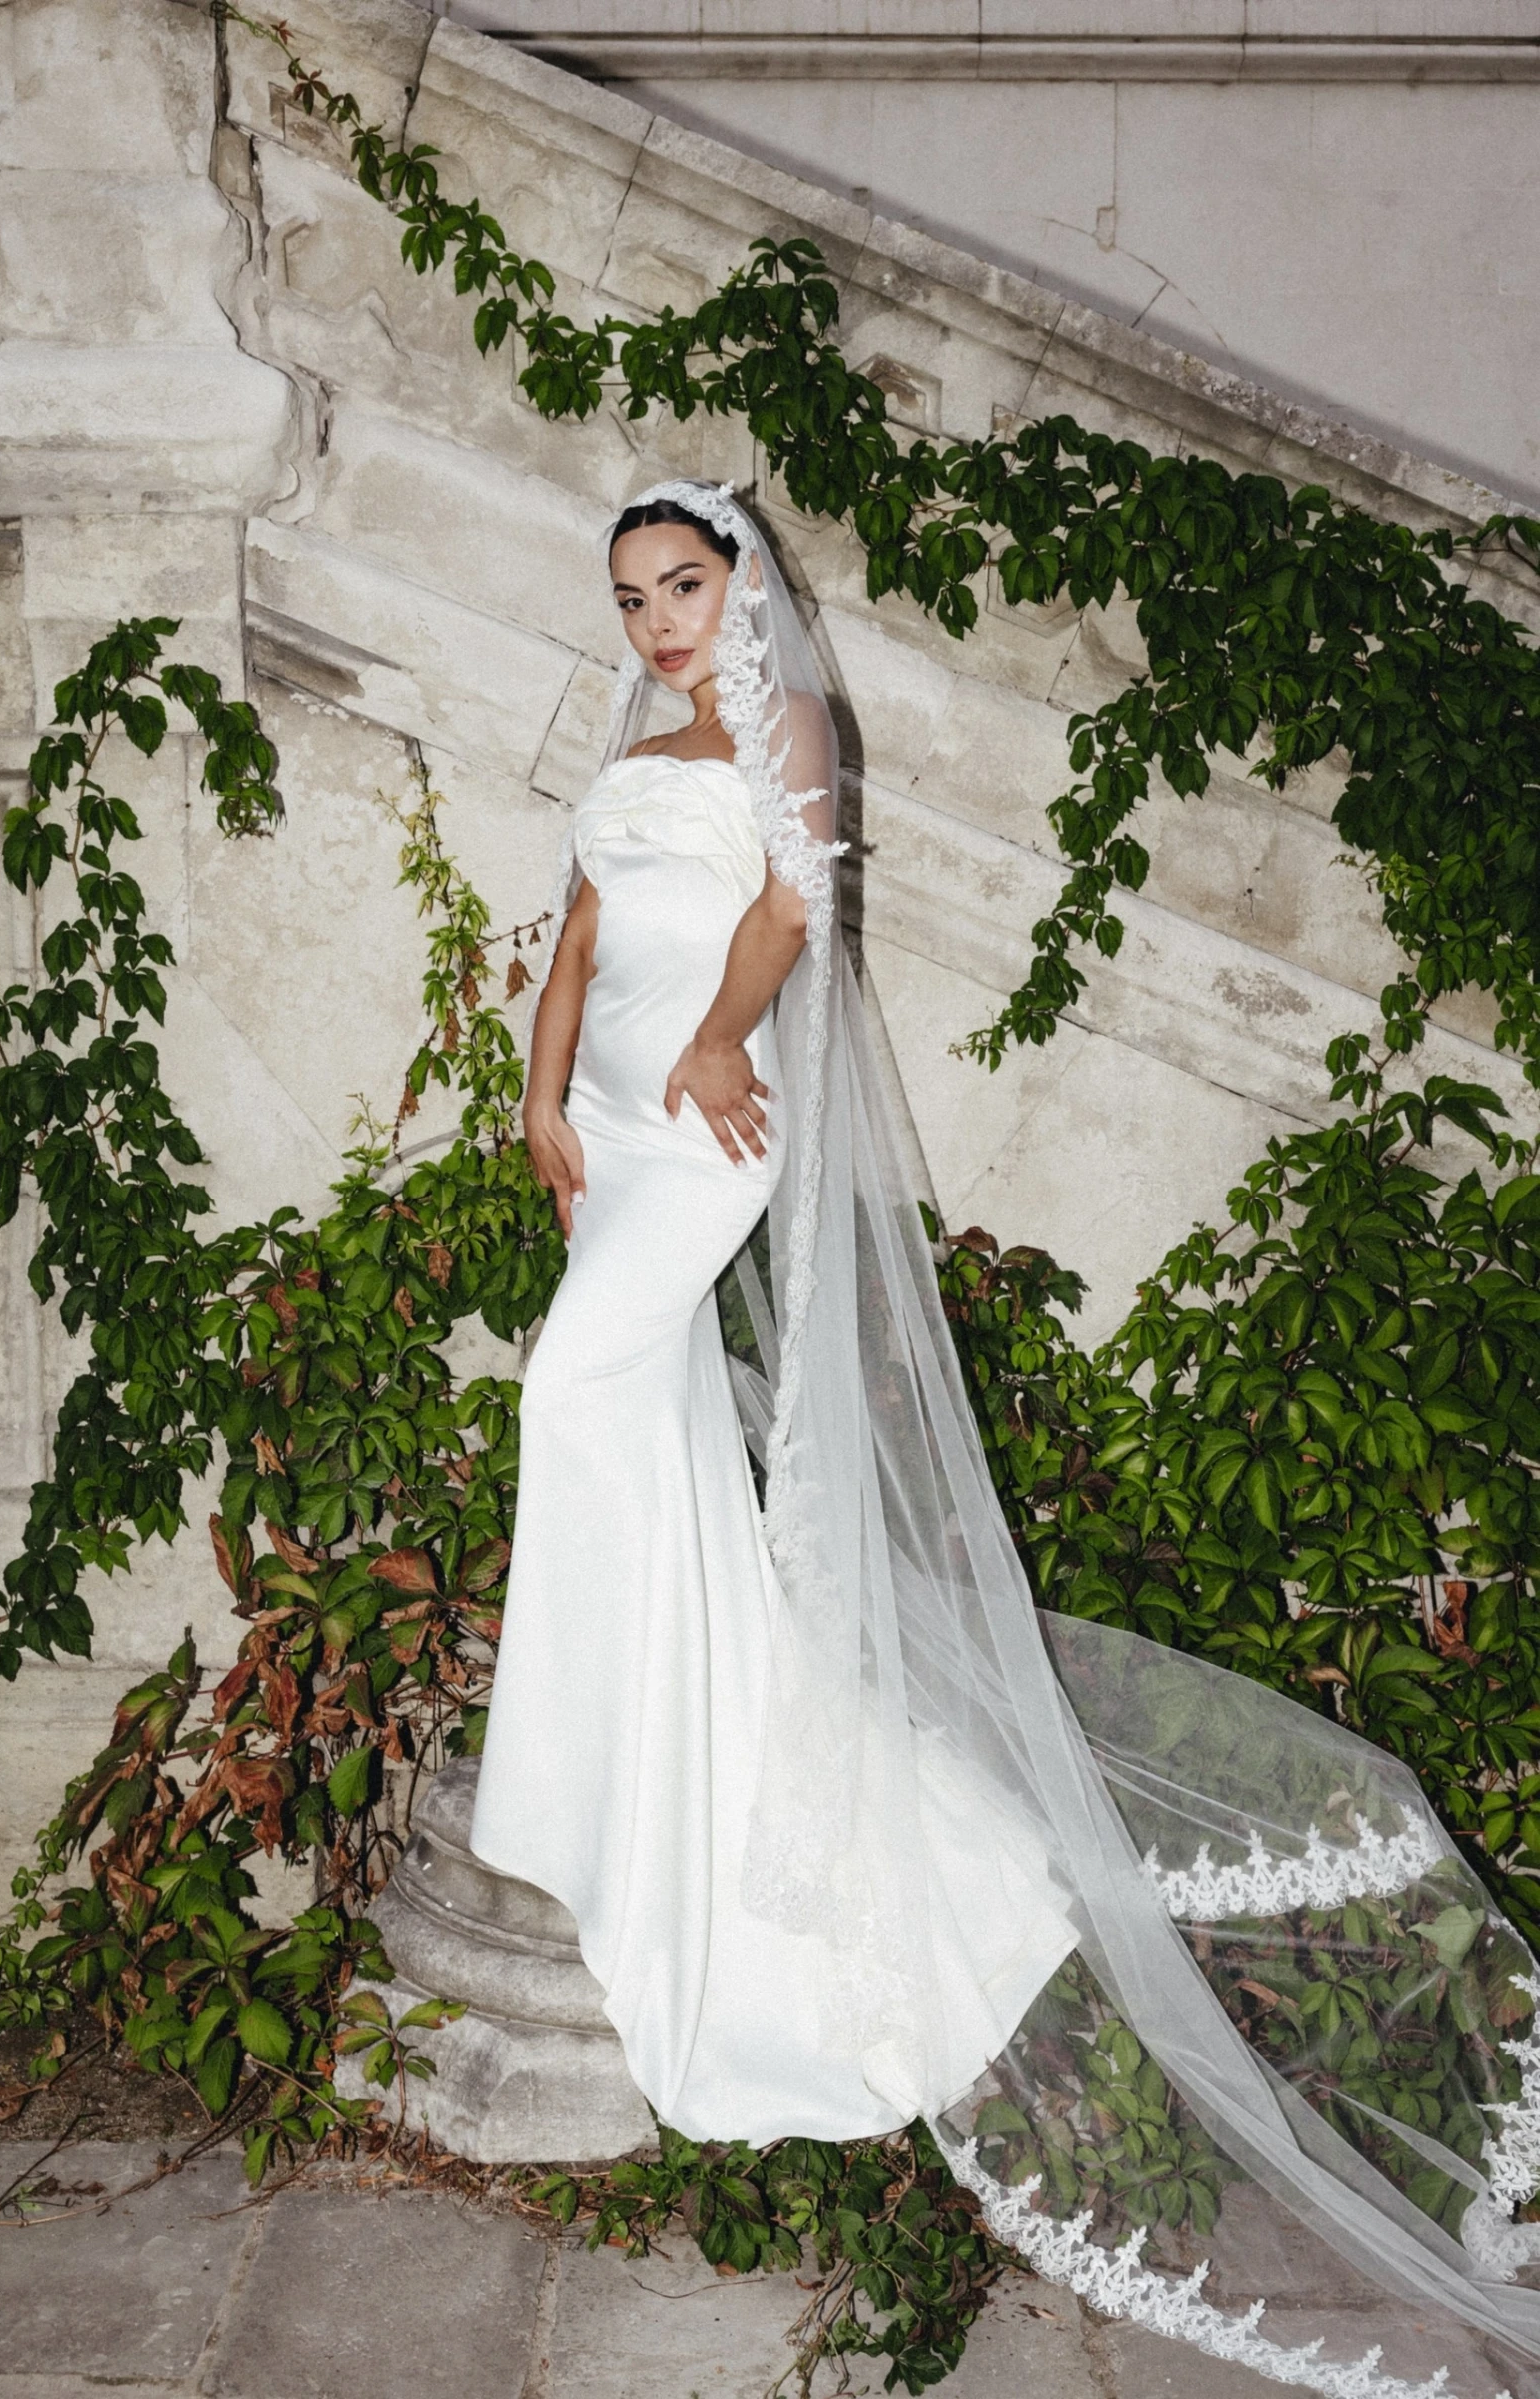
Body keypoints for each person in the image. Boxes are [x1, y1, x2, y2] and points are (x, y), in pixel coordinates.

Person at [470, 479, 1540, 2396]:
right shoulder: (633, 744)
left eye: (683, 586)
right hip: (607, 1130)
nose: (657, 622)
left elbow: (789, 906)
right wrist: (540, 1094)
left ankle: (641, 1749)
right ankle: (656, 1725)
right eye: (631, 597)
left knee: (572, 1392)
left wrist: (709, 1044)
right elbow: (578, 927)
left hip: (707, 1130)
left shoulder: (796, 721)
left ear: (739, 585)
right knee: (637, 1428)